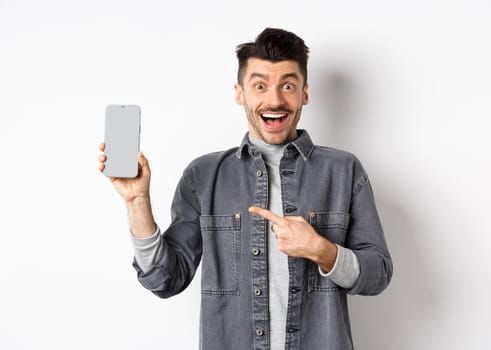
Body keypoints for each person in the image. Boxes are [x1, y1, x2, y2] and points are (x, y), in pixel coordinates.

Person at [98, 28, 392, 350]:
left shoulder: (344, 171)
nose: (275, 100)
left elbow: (378, 274)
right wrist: (137, 200)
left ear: (305, 93)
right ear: (240, 93)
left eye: (288, 86)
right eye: (260, 86)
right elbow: (166, 280)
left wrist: (321, 250)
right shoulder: (204, 176)